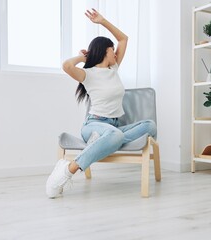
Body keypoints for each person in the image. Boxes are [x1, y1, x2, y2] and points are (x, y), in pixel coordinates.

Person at [46, 9, 157, 198]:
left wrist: (102, 21)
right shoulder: (87, 74)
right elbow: (67, 66)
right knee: (115, 135)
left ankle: (103, 142)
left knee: (149, 126)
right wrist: (84, 58)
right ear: (104, 52)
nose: (115, 53)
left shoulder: (113, 68)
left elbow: (124, 39)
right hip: (93, 124)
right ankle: (68, 169)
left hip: (114, 125)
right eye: (112, 50)